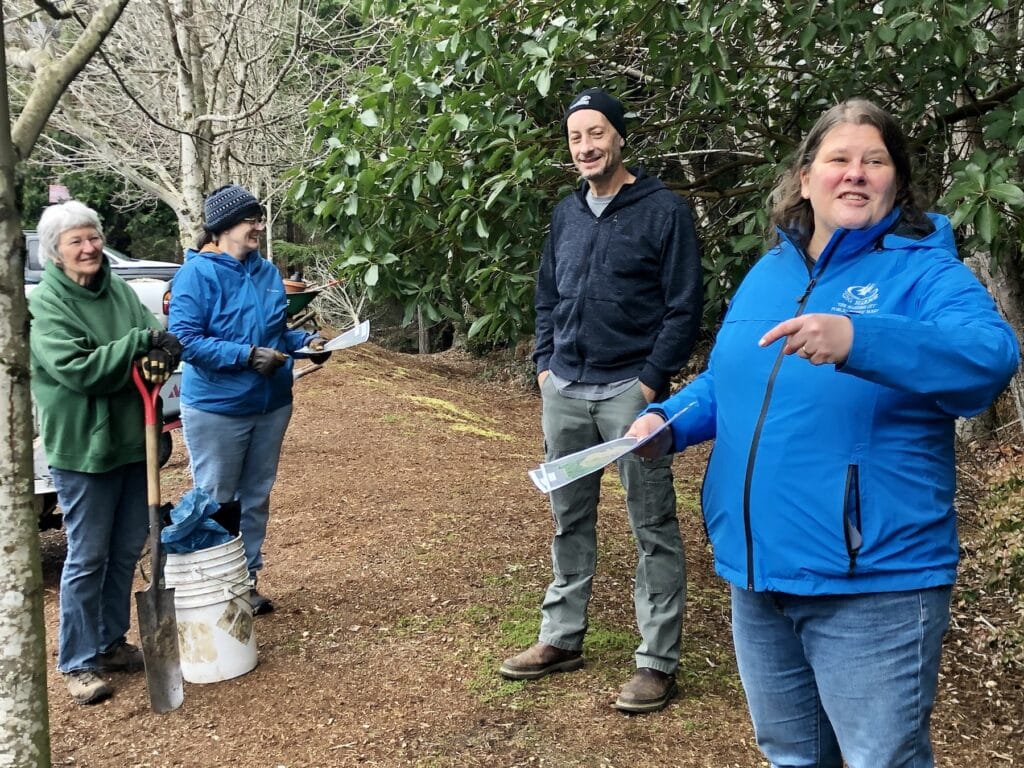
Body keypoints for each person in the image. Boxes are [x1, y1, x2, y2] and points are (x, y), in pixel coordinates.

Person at [626, 99, 1019, 765]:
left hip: (874, 582)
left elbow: (988, 359)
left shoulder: (925, 271)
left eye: (875, 161)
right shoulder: (770, 272)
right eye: (839, 159)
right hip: (759, 575)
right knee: (794, 757)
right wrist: (667, 423)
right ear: (806, 177)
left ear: (897, 181)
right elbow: (732, 381)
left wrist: (858, 338)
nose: (856, 174)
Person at [499, 87, 703, 714]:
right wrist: (542, 367)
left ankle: (657, 661)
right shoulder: (566, 213)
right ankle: (562, 638)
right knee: (568, 517)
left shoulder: (663, 210)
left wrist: (649, 382)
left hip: (627, 395)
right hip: (565, 388)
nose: (586, 147)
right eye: (576, 138)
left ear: (619, 136)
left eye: (596, 134)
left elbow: (683, 306)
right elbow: (546, 295)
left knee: (653, 525)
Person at [28, 200, 183, 705]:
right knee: (88, 556)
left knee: (122, 552)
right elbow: (79, 369)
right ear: (56, 252)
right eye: (76, 241)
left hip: (132, 440)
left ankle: (112, 642)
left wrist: (160, 352)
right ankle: (77, 661)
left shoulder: (118, 290)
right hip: (82, 449)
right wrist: (140, 344)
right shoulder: (46, 304)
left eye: (93, 237)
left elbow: (150, 344)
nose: (90, 248)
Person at [169, 184, 329, 616]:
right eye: (249, 219)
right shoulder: (195, 276)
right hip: (217, 408)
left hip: (271, 404)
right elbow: (184, 341)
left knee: (256, 495)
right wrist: (245, 355)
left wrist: (306, 342)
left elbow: (277, 334)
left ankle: (246, 580)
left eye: (258, 217)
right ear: (222, 227)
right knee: (217, 497)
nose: (258, 226)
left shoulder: (267, 272)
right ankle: (215, 589)